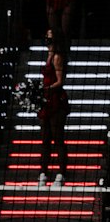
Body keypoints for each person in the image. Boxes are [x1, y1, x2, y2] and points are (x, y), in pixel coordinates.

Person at [38, 28, 68, 189]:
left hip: (55, 100)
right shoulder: (48, 56)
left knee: (57, 138)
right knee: (45, 139)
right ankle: (43, 172)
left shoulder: (57, 57)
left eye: (50, 38)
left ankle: (61, 172)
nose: (47, 41)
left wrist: (46, 90)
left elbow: (59, 81)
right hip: (47, 101)